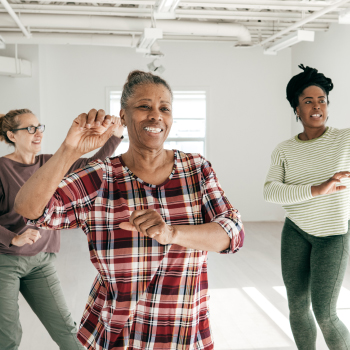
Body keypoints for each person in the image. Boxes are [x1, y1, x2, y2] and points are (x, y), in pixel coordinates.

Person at [14, 71, 245, 350]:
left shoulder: (196, 169)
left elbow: (232, 234)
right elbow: (31, 210)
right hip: (115, 335)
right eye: (144, 106)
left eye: (164, 108)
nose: (156, 116)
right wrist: (70, 150)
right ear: (123, 117)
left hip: (183, 333)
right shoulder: (101, 176)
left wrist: (171, 232)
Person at [0, 108, 124, 350]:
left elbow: (90, 165)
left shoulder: (49, 162)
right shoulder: (1, 169)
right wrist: (13, 238)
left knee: (67, 331)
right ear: (12, 135)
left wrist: (115, 136)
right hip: (5, 262)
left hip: (41, 261)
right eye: (30, 129)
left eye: (39, 127)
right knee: (8, 337)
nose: (38, 133)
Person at [264, 64, 350, 350]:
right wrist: (318, 189)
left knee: (325, 314)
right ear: (296, 110)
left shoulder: (345, 140)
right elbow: (270, 191)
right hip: (296, 232)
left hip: (333, 236)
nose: (316, 106)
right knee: (298, 308)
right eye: (308, 101)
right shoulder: (284, 150)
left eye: (322, 100)